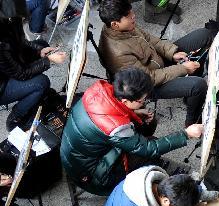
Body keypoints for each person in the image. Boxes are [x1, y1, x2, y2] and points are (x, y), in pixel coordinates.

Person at [61, 68, 203, 196]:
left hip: (77, 157)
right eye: (142, 100)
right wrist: (186, 134)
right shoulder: (115, 127)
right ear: (125, 100)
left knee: (145, 131)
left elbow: (111, 114)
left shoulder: (100, 91)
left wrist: (132, 112)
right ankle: (150, 179)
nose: (144, 102)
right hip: (92, 174)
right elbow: (148, 148)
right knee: (151, 147)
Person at [98, 0, 214, 126]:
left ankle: (191, 93)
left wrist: (172, 52)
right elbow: (148, 78)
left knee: (204, 34)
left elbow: (149, 39)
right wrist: (182, 69)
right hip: (148, 85)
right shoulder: (117, 54)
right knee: (199, 85)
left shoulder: (124, 27)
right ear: (115, 24)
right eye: (129, 16)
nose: (134, 16)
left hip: (157, 62)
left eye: (132, 12)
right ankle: (192, 121)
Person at [0, 15, 65, 131]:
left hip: (7, 67)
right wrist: (48, 60)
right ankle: (15, 118)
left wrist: (39, 51)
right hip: (2, 85)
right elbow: (21, 74)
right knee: (41, 82)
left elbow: (20, 42)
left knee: (42, 44)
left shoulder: (10, 15)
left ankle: (35, 97)